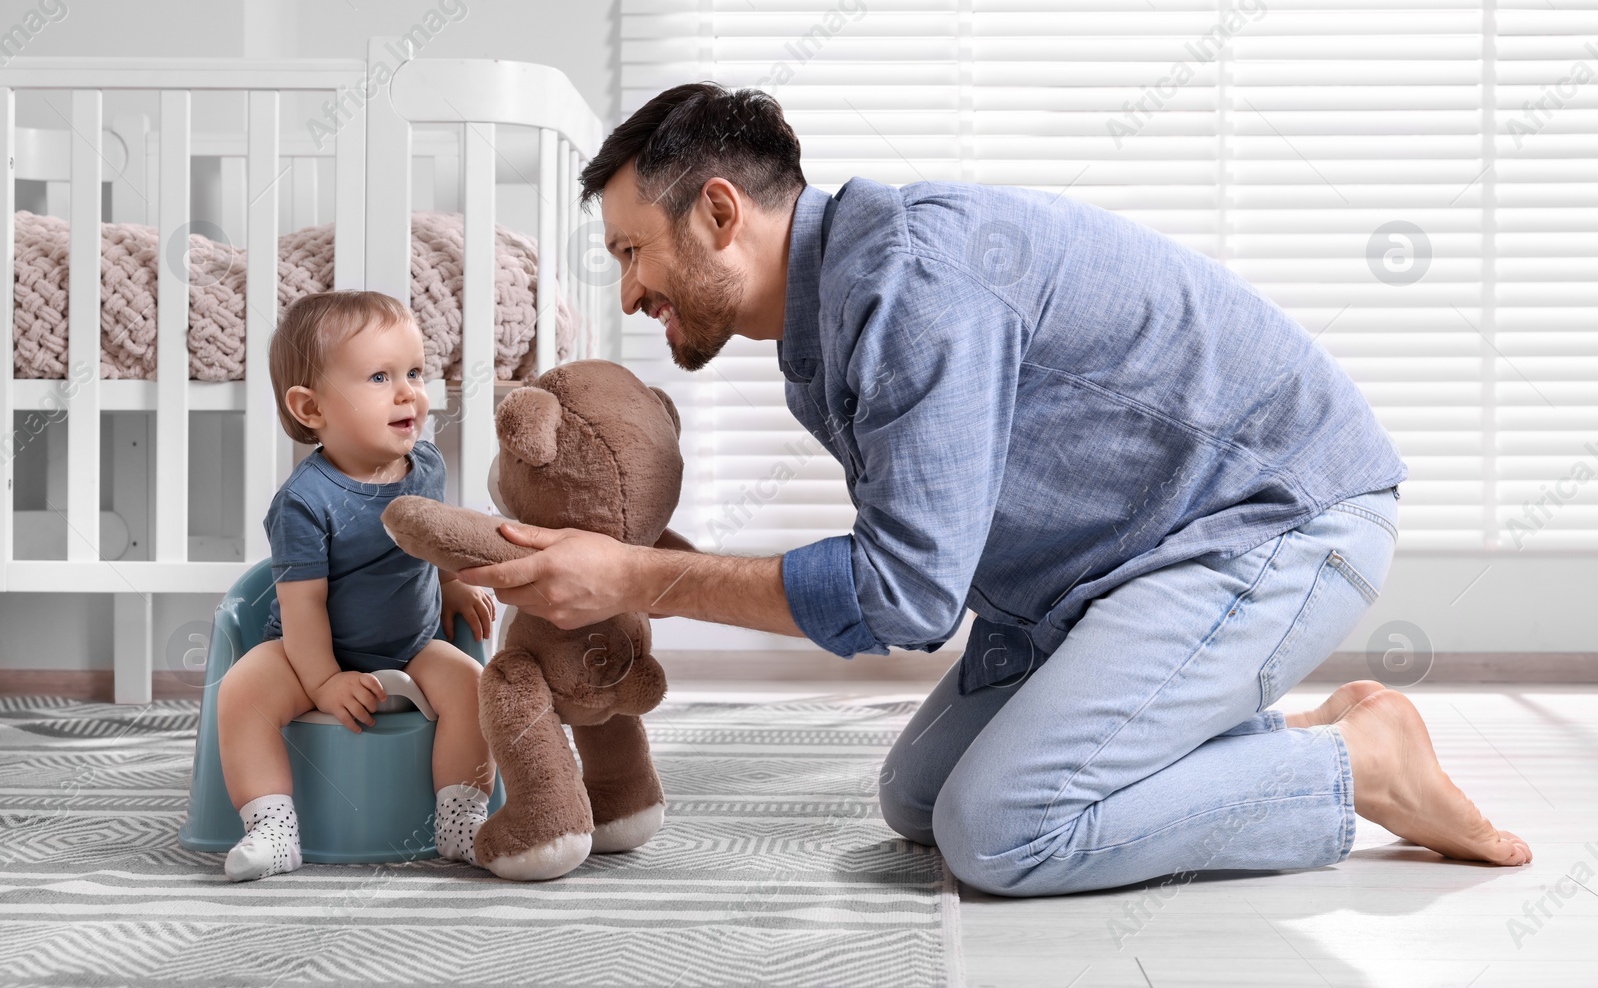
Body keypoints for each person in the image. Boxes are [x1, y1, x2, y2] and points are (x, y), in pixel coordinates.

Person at [455, 84, 1531, 896]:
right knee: (916, 800)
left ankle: (1353, 763)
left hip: (1272, 526)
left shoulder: (913, 285)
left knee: (1002, 832)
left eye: (632, 250)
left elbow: (911, 594)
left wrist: (640, 577)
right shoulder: (825, 333)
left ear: (721, 212)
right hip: (1109, 568)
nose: (630, 288)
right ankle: (1245, 730)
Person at [215, 290, 498, 882]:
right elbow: (303, 606)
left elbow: (432, 538)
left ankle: (460, 818)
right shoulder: (303, 502)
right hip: (306, 651)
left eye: (414, 372)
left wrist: (447, 584)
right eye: (379, 376)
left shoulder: (425, 465)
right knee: (241, 693)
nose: (409, 392)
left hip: (412, 643)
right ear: (311, 408)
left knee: (477, 687)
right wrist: (321, 679)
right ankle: (272, 827)